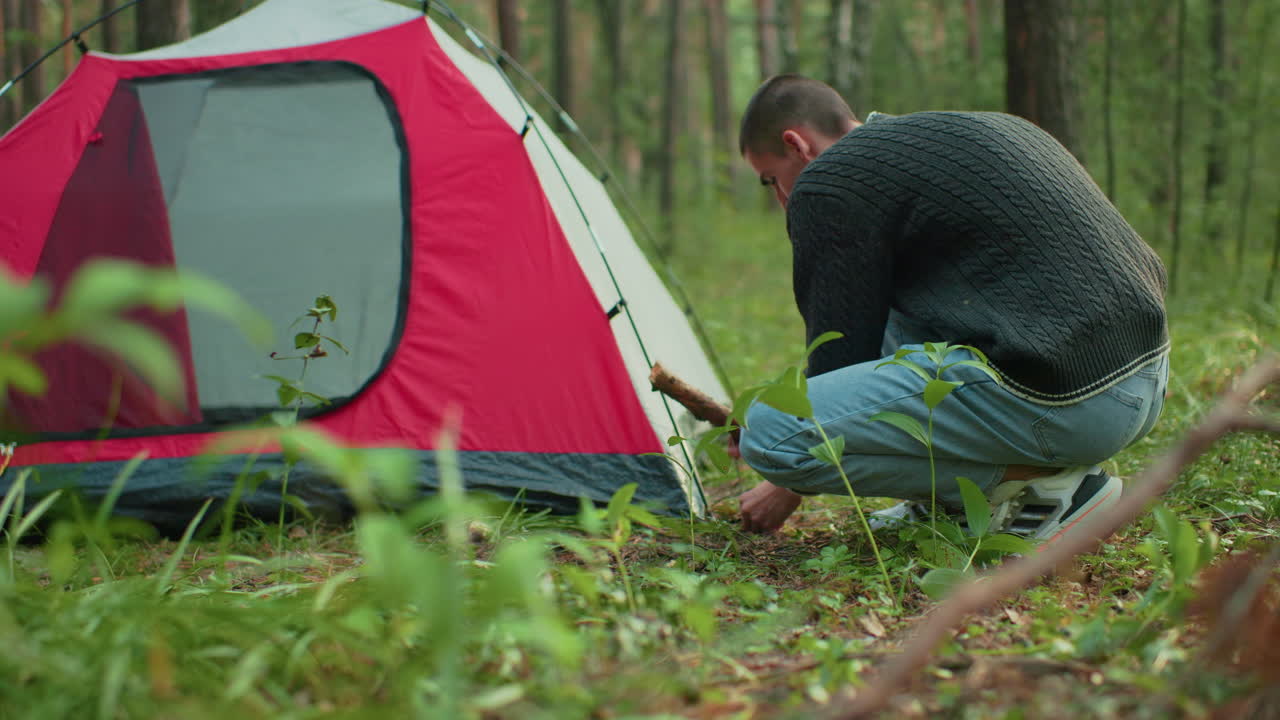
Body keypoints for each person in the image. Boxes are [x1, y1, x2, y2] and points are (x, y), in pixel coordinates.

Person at [733, 74, 1169, 541]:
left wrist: (787, 479)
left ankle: (1032, 488)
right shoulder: (949, 137)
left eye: (770, 180)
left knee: (769, 431)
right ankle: (957, 501)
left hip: (1066, 402)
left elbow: (838, 358)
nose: (782, 200)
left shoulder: (828, 180)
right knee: (894, 306)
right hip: (1146, 380)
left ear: (796, 145)